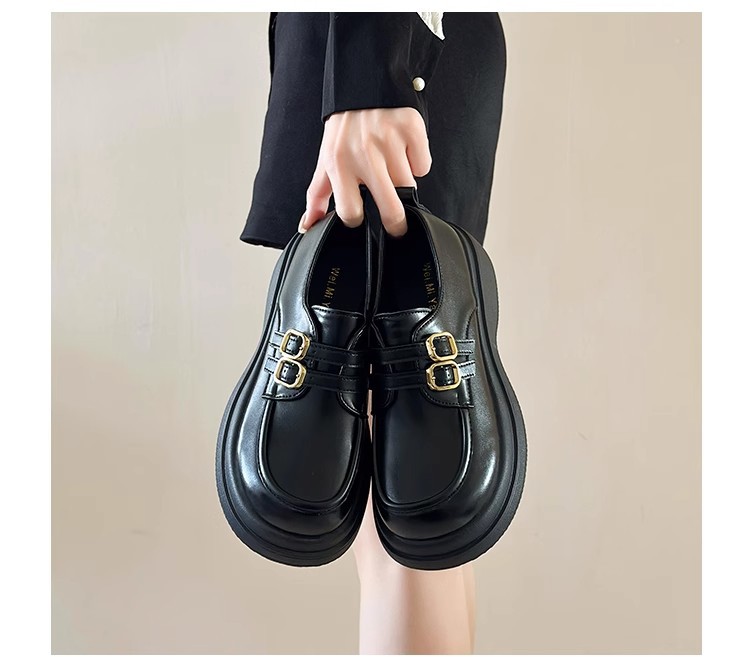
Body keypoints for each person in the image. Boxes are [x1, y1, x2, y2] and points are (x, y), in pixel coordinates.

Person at [239, 12, 507, 654]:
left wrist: (369, 78)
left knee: (409, 516)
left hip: (378, 66)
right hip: (377, 64)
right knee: (424, 512)